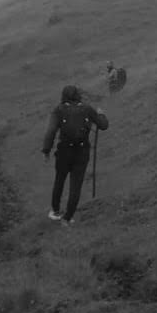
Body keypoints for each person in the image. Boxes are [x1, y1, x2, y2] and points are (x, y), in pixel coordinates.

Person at [41, 84, 109, 226]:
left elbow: (51, 131)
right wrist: (101, 114)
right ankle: (67, 218)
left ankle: (55, 211)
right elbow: (103, 125)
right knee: (75, 185)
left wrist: (46, 150)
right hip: (82, 152)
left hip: (64, 151)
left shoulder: (59, 110)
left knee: (59, 180)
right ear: (78, 95)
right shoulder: (87, 108)